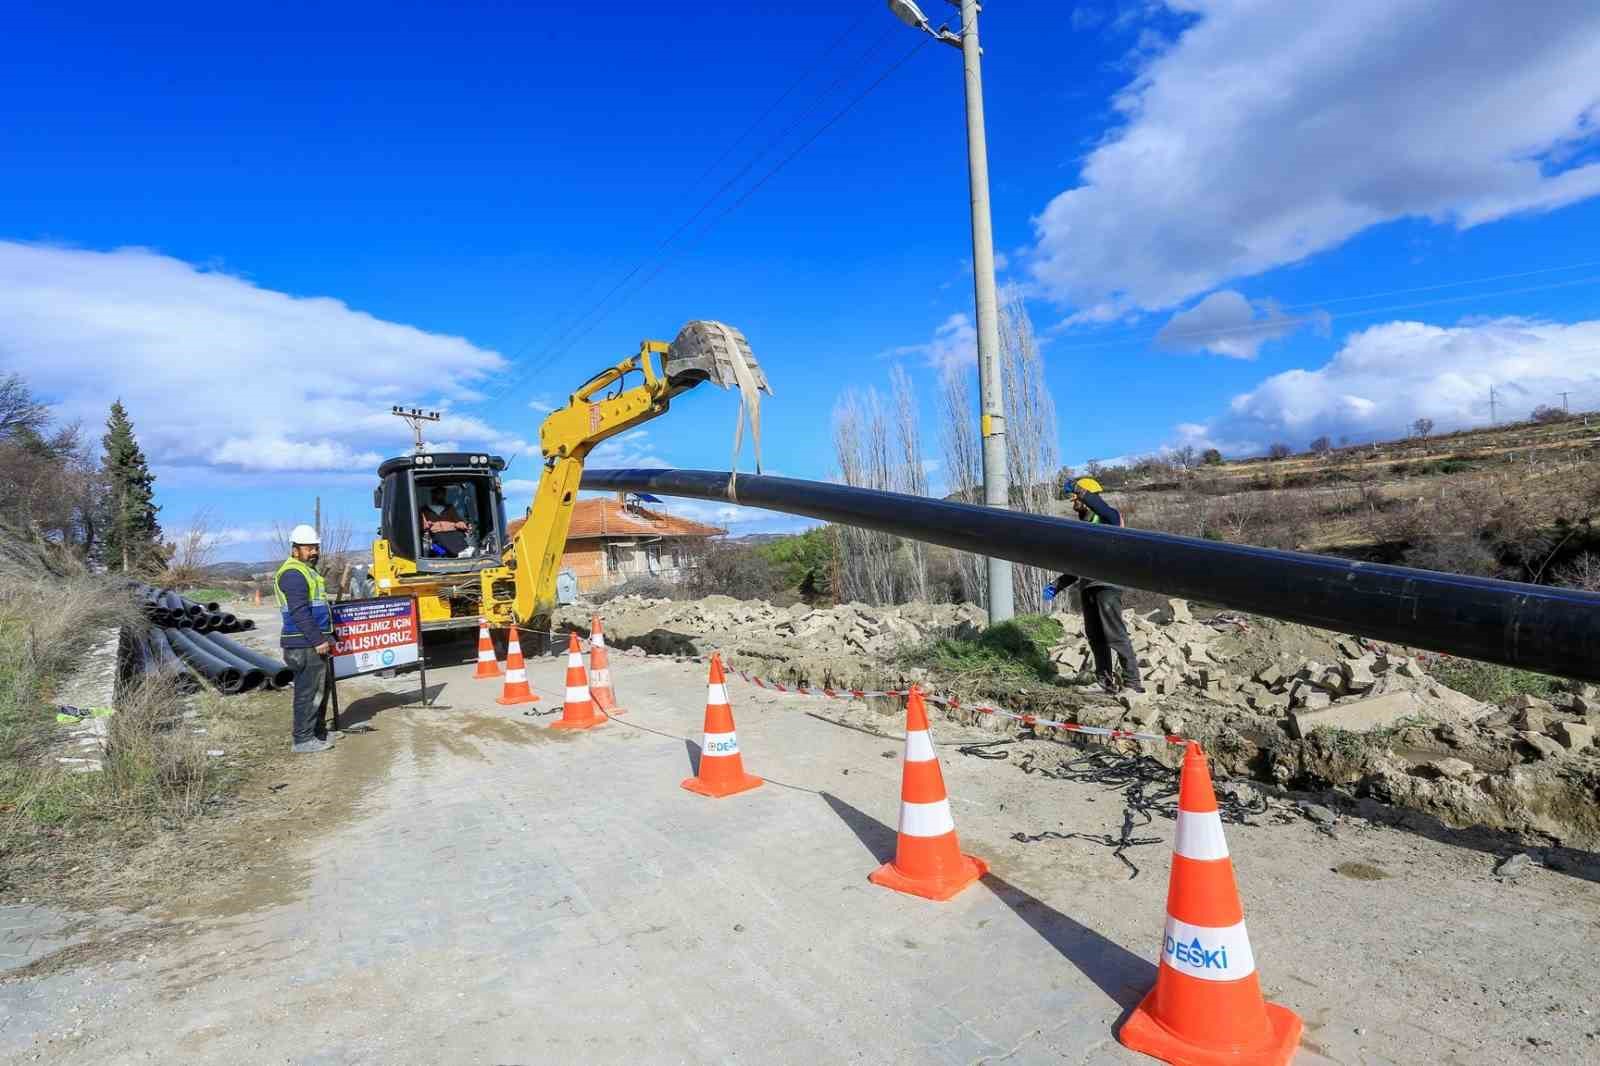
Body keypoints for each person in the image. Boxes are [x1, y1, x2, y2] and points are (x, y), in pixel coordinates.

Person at [1044, 477, 1143, 695]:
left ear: (1085, 496)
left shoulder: (1110, 517)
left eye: (1074, 498)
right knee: (1096, 636)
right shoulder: (1085, 526)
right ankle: (1105, 682)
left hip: (1107, 584)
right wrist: (1057, 585)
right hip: (1088, 586)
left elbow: (1102, 507)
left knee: (1114, 634)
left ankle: (1132, 683)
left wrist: (1079, 488)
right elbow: (1077, 564)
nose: (1072, 503)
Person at [275, 524, 336, 753]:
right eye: (308, 548)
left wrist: (329, 636)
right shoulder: (293, 574)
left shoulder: (308, 572)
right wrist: (318, 640)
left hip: (311, 641)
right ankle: (303, 740)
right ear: (295, 549)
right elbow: (299, 612)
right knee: (307, 692)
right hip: (302, 644)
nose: (314, 552)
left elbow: (319, 609)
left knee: (320, 689)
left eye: (315, 548)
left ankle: (317, 732)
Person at [419, 486, 471, 557]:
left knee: (459, 538)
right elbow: (423, 526)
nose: (442, 496)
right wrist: (430, 526)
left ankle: (464, 552)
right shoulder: (425, 510)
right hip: (435, 539)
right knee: (439, 548)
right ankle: (452, 554)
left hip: (453, 534)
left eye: (443, 494)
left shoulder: (450, 508)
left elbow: (459, 522)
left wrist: (461, 524)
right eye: (439, 493)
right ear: (433, 494)